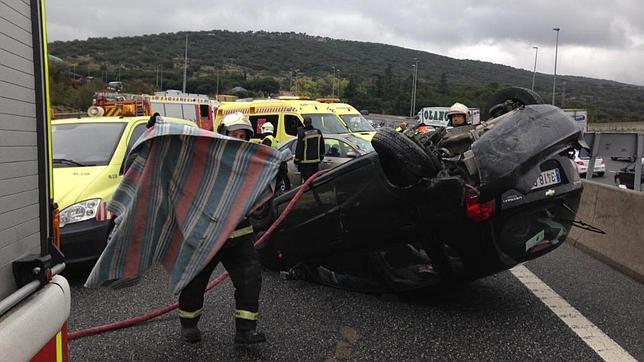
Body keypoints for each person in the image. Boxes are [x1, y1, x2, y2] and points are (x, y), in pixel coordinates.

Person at [178, 112, 267, 345]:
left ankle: (245, 331)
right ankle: (189, 324)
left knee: (250, 278)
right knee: (195, 281)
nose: (239, 139)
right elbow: (181, 151)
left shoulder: (251, 162)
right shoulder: (205, 159)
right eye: (235, 135)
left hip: (239, 234)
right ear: (223, 135)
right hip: (207, 235)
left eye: (243, 136)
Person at [261, 122, 291, 192]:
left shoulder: (267, 139)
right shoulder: (272, 138)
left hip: (270, 163)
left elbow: (265, 152)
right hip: (275, 162)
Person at [294, 116, 325, 182]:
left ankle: (307, 192)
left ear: (304, 123)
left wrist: (297, 159)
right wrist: (322, 156)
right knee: (314, 180)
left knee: (306, 182)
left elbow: (299, 147)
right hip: (315, 162)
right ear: (311, 122)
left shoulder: (303, 133)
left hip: (305, 163)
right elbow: (322, 145)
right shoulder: (318, 132)